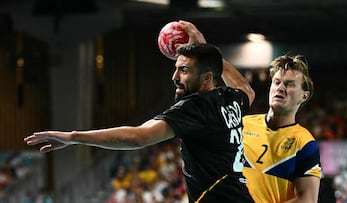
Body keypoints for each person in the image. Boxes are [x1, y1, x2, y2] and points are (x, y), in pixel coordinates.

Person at [24, 20, 255, 203]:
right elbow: (246, 89)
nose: (174, 77)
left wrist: (74, 137)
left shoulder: (196, 106)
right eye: (176, 69)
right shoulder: (230, 99)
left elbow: (138, 137)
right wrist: (206, 52)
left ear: (206, 78)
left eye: (183, 70)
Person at [242, 54, 322, 203]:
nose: (280, 88)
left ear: (304, 96)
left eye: (290, 84)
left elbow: (308, 199)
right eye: (277, 82)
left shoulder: (304, 143)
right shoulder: (242, 124)